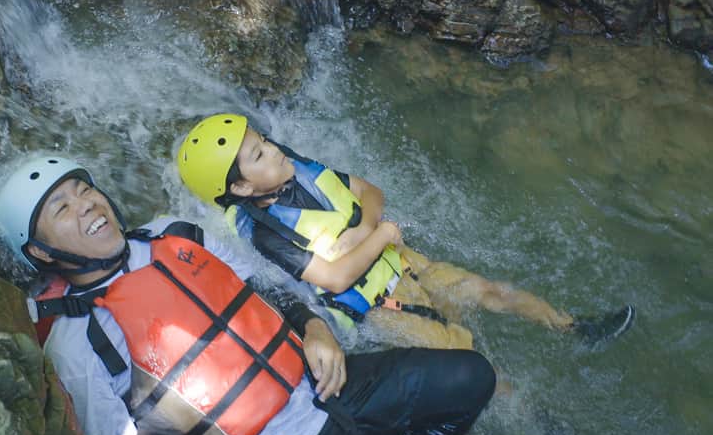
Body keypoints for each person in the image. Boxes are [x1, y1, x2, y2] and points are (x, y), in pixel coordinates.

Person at [0, 156, 498, 435]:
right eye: (63, 209)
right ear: (40, 252)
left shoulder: (175, 234)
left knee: (473, 377)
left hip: (322, 388)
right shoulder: (76, 340)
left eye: (86, 191)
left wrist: (316, 328)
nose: (87, 205)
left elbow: (263, 288)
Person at [176, 113, 635, 349]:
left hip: (402, 259)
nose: (274, 151)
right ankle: (542, 430)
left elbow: (369, 191)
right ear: (239, 187)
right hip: (380, 307)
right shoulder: (264, 231)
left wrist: (369, 231)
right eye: (259, 156)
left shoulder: (297, 168)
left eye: (263, 142)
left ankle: (573, 328)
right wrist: (378, 237)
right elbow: (334, 280)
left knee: (492, 292)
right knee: (465, 350)